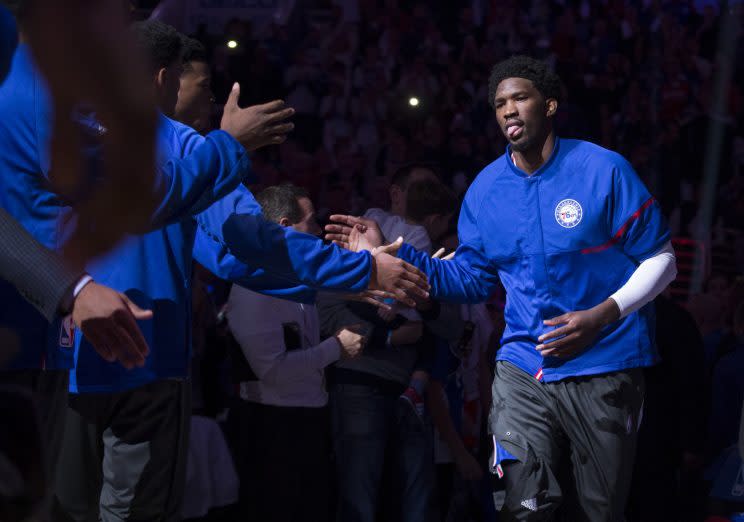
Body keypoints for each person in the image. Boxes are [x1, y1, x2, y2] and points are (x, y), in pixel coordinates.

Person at [50, 20, 427, 522]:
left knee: (63, 508)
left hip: (62, 358)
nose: (209, 100)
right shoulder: (190, 148)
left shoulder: (58, 132)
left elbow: (225, 257)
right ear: (165, 78)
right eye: (203, 85)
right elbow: (248, 243)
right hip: (148, 361)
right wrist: (357, 270)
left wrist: (337, 282)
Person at [326, 55, 678, 521]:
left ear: (549, 105)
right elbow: (469, 278)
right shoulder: (486, 189)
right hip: (522, 363)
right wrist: (393, 256)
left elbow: (663, 259)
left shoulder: (602, 170)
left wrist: (601, 316)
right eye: (499, 104)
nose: (508, 110)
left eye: (520, 98)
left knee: (599, 510)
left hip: (605, 359)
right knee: (523, 505)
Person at [226, 184, 366, 522]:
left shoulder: (294, 284)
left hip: (306, 422)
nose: (319, 233)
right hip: (273, 430)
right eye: (312, 223)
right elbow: (273, 371)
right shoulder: (253, 289)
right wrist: (336, 347)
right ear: (285, 228)